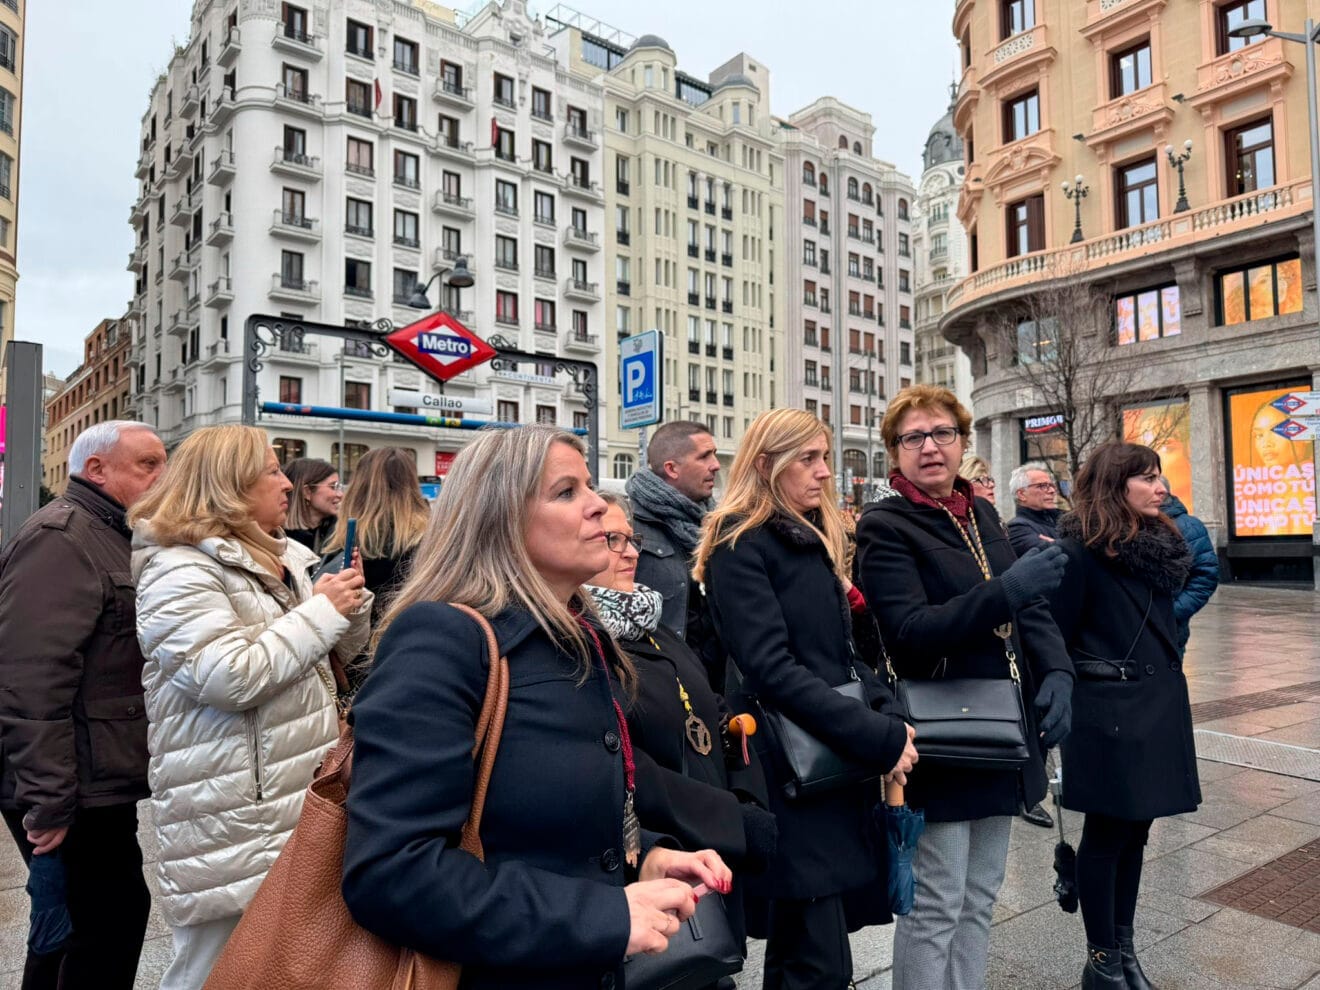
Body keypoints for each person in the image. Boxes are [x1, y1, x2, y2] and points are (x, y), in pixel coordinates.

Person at [342, 425, 732, 989]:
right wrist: (602, 914)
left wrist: (642, 858)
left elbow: (544, 828)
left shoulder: (578, 636)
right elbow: (392, 872)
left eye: (590, 486)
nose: (599, 506)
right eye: (566, 492)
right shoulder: (444, 640)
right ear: (499, 519)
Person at [129, 425, 372, 990]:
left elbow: (328, 658)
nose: (287, 483)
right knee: (213, 970)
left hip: (287, 797)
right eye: (271, 471)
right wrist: (321, 613)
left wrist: (347, 607)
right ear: (230, 485)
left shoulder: (281, 555)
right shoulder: (180, 569)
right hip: (232, 812)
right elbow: (228, 677)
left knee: (280, 965)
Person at [855, 385, 1074, 990]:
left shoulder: (978, 512)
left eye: (943, 433)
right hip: (943, 735)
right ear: (894, 451)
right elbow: (908, 632)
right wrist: (1005, 592)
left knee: (980, 897)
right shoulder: (884, 525)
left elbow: (1030, 611)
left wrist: (1058, 671)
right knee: (937, 904)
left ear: (961, 442)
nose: (930, 447)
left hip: (1002, 729)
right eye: (913, 437)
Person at [694, 408, 917, 990]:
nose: (824, 472)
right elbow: (772, 670)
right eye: (809, 459)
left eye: (825, 456)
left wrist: (886, 709)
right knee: (814, 958)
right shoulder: (740, 541)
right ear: (766, 466)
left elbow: (839, 653)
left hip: (826, 761)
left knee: (813, 951)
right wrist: (877, 735)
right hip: (791, 772)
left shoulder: (805, 534)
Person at [0, 421, 166, 990]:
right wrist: (47, 804)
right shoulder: (62, 537)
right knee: (101, 928)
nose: (162, 477)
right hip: (68, 785)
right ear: (97, 470)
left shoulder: (115, 533)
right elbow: (30, 680)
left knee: (77, 930)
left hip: (93, 777)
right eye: (148, 464)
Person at [585, 492, 776, 958]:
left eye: (632, 539)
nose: (631, 553)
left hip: (707, 846)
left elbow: (709, 707)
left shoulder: (649, 620)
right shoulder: (584, 640)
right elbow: (624, 763)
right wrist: (729, 815)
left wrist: (745, 791)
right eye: (613, 540)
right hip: (655, 854)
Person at [1047, 442, 1200, 990]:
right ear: (1117, 485)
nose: (1161, 487)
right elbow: (1055, 637)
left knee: (1137, 831)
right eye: (1148, 478)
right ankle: (1103, 960)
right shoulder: (1080, 551)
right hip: (1107, 713)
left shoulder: (1154, 544)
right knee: (1108, 834)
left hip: (1154, 710)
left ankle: (1125, 949)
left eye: (1160, 476)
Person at [960, 455, 1056, 831]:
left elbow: (1034, 597)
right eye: (982, 477)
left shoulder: (991, 522)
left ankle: (1029, 789)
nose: (990, 483)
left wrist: (1057, 666)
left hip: (1017, 649)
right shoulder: (1005, 526)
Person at [320, 446, 431, 699]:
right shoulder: (431, 541)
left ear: (359, 487)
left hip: (355, 665)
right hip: (414, 659)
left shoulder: (343, 544)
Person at [626, 421, 726, 690]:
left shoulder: (716, 524)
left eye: (714, 454)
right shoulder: (629, 525)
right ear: (672, 469)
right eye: (705, 456)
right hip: (664, 684)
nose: (716, 465)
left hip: (718, 683)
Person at [1161, 482, 1219, 656]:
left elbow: (1205, 576)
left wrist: (1174, 611)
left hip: (1171, 630)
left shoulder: (1188, 526)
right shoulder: (1127, 523)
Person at [281, 456, 342, 554]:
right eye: (333, 486)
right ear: (307, 492)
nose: (340, 494)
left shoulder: (338, 534)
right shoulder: (279, 540)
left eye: (339, 487)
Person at [1007, 461, 1062, 556]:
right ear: (1021, 494)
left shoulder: (1063, 518)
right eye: (1043, 486)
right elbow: (1058, 554)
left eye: (1052, 485)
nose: (1052, 491)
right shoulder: (1016, 529)